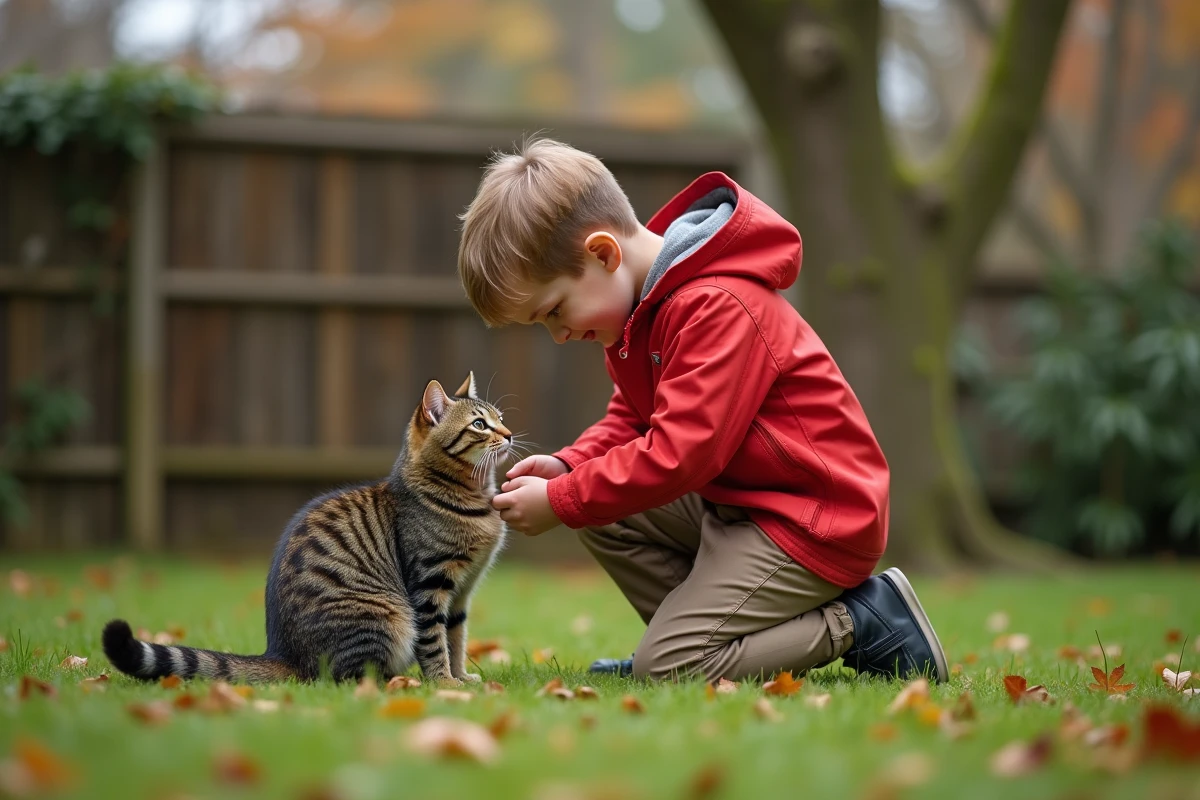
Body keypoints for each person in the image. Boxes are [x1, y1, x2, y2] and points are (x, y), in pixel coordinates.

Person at [457, 137, 946, 683]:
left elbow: (683, 453)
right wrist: (569, 468)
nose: (559, 334)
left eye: (553, 311)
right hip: (744, 509)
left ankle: (862, 621)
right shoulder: (642, 315)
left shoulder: (714, 304)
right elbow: (631, 422)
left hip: (813, 520)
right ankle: (708, 637)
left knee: (667, 666)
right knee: (602, 506)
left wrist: (564, 500)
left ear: (602, 254)